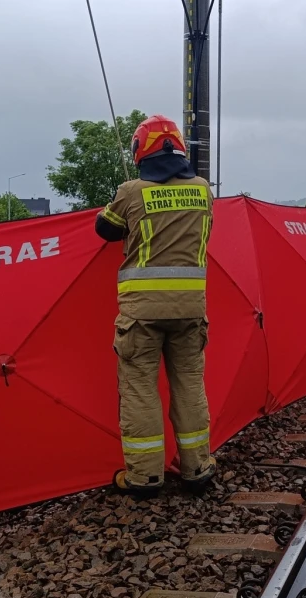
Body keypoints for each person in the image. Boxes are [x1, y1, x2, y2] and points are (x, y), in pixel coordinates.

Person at [94, 114, 216, 495]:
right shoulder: (203, 190)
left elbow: (105, 229)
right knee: (190, 387)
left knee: (140, 391)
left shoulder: (131, 191)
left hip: (141, 315)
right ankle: (197, 468)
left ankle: (145, 477)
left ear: (140, 151)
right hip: (190, 311)